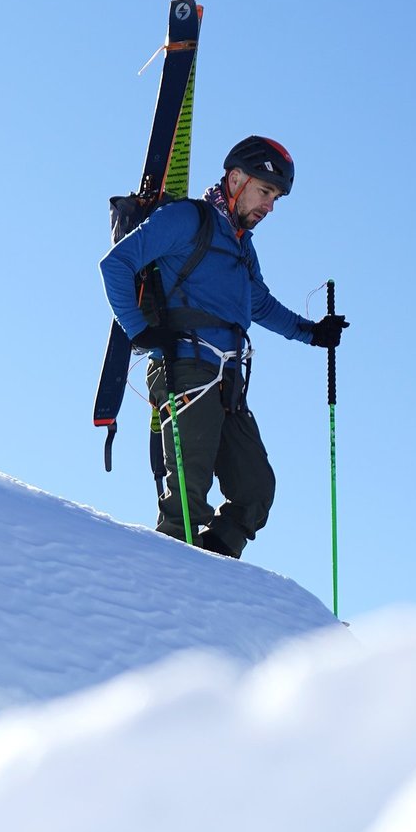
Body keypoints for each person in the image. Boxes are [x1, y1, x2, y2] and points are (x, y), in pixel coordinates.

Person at [99, 135, 348, 558]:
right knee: (186, 497)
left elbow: (259, 303)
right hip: (185, 368)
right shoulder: (186, 219)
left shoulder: (240, 244)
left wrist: (311, 332)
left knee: (255, 491)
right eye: (265, 191)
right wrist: (139, 330)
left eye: (276, 198)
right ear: (235, 179)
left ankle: (210, 572)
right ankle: (169, 575)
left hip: (229, 379)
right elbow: (116, 264)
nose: (270, 206)